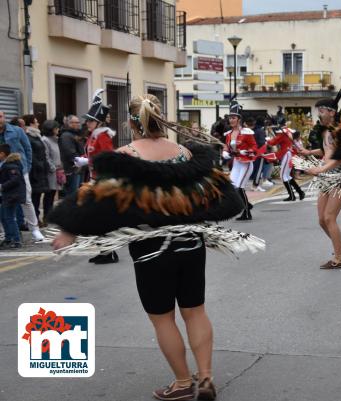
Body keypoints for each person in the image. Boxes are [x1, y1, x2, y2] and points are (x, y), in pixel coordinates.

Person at [49, 93, 246, 401]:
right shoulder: (185, 153)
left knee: (163, 318)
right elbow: (221, 194)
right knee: (195, 312)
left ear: (131, 123)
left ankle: (182, 383)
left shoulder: (125, 156)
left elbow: (98, 197)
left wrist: (68, 228)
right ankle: (206, 378)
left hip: (152, 249)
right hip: (191, 244)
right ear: (160, 118)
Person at [304, 89, 341, 269]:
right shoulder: (324, 130)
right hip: (326, 177)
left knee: (329, 217)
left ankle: (338, 258)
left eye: (321, 111)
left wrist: (321, 168)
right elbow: (326, 150)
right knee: (321, 220)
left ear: (331, 112)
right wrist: (309, 152)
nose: (318, 114)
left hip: (340, 177)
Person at [79, 89, 119, 264]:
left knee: (101, 218)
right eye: (88, 120)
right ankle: (105, 251)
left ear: (99, 122)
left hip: (103, 181)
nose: (87, 123)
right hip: (95, 179)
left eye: (91, 120)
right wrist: (84, 161)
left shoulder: (102, 136)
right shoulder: (94, 136)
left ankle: (108, 252)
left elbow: (108, 159)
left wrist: (87, 161)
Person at [222, 101, 257, 221]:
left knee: (240, 187)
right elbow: (226, 147)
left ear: (239, 119)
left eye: (233, 118)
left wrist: (246, 151)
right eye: (230, 118)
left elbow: (254, 147)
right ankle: (247, 205)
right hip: (236, 163)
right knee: (232, 187)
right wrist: (225, 153)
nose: (231, 120)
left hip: (246, 164)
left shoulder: (246, 133)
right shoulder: (228, 134)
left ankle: (247, 213)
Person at [20, 115, 46, 241]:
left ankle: (34, 227)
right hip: (32, 170)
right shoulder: (30, 136)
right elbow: (30, 151)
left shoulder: (34, 136)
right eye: (36, 122)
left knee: (29, 199)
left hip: (33, 170)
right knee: (28, 198)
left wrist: (31, 166)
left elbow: (30, 151)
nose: (38, 124)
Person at [268, 122, 304, 201]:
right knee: (287, 176)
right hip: (289, 153)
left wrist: (267, 140)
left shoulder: (283, 133)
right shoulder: (289, 131)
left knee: (283, 176)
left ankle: (292, 195)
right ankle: (299, 192)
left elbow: (273, 142)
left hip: (286, 153)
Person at [0, 144, 26, 248]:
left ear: (2, 154)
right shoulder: (7, 164)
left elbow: (15, 179)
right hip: (9, 195)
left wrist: (2, 186)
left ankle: (16, 240)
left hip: (12, 195)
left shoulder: (10, 165)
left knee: (9, 217)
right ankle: (8, 238)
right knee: (3, 216)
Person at [40, 120, 63, 225]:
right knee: (49, 194)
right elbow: (46, 156)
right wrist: (53, 168)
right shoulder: (45, 140)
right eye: (56, 128)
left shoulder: (55, 139)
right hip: (51, 171)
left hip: (57, 170)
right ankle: (46, 217)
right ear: (51, 129)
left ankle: (50, 216)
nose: (58, 129)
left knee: (53, 193)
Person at [59, 115, 84, 195]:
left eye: (78, 122)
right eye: (76, 122)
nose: (78, 124)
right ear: (69, 123)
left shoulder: (75, 134)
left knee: (77, 193)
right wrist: (79, 162)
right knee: (72, 194)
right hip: (72, 168)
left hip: (78, 167)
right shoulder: (66, 135)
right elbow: (70, 152)